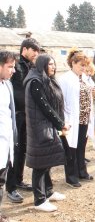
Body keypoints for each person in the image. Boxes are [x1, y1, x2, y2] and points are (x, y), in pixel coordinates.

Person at [23, 54, 69, 212]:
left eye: (54, 64)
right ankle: (39, 200)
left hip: (45, 126)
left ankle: (48, 192)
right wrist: (60, 124)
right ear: (42, 65)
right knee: (40, 165)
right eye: (50, 64)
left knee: (46, 161)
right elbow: (45, 107)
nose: (53, 67)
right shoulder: (35, 82)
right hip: (39, 129)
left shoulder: (42, 79)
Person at [7, 38, 40, 203]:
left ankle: (18, 180)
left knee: (23, 150)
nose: (36, 53)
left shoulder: (32, 67)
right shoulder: (16, 67)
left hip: (29, 114)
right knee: (14, 150)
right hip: (16, 115)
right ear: (25, 49)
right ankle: (10, 187)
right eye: (34, 50)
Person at [58, 49, 95, 188]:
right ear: (73, 63)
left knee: (81, 146)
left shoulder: (84, 77)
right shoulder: (65, 79)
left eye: (85, 65)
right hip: (71, 119)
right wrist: (64, 120)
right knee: (70, 148)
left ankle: (81, 171)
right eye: (81, 65)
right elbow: (61, 101)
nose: (84, 68)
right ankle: (71, 176)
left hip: (84, 118)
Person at [0, 50, 16, 222]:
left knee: (1, 180)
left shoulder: (7, 85)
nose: (13, 71)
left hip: (5, 142)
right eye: (10, 67)